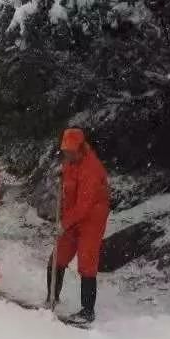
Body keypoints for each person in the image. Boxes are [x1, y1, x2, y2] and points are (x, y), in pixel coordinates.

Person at [47, 128, 110, 324]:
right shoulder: (70, 161)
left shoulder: (92, 168)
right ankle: (51, 297)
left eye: (71, 152)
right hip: (73, 217)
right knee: (58, 256)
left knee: (87, 262)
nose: (68, 155)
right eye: (65, 152)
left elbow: (85, 205)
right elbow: (69, 187)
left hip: (92, 218)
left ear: (81, 148)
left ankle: (87, 311)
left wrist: (64, 223)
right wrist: (61, 174)